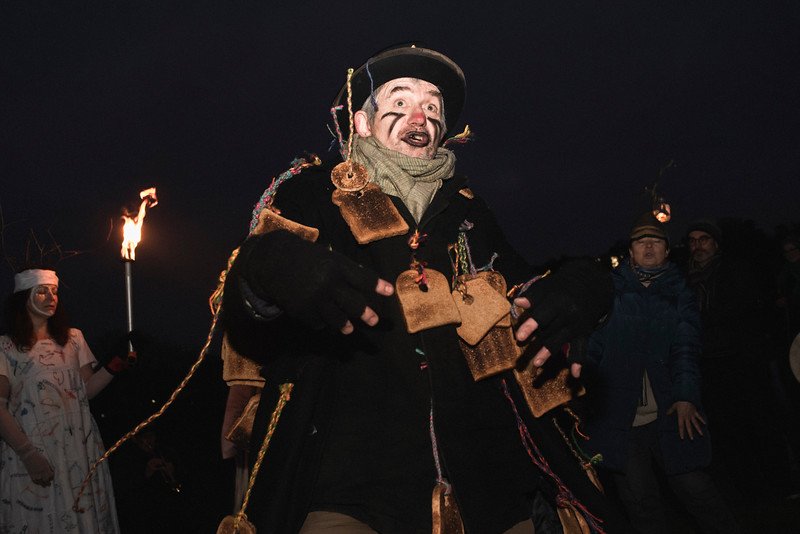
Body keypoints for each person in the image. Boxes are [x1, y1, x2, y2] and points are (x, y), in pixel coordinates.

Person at [221, 46, 627, 533]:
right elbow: (250, 315)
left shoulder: (469, 213)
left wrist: (586, 287)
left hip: (487, 483)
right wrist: (264, 272)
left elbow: (530, 291)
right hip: (348, 481)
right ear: (362, 123)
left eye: (433, 107)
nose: (421, 116)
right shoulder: (312, 192)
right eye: (401, 100)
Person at [582, 214, 740, 533]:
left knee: (696, 489)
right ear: (630, 251)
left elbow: (686, 347)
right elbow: (591, 348)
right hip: (621, 417)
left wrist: (685, 395)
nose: (649, 246)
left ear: (667, 251)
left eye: (656, 241)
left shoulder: (679, 291)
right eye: (641, 242)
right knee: (641, 503)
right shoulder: (609, 291)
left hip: (671, 409)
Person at [0, 268, 127, 533]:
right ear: (24, 297)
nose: (51, 297)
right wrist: (28, 455)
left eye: (54, 291)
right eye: (42, 291)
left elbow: (86, 391)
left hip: (78, 450)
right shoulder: (6, 347)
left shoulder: (73, 339)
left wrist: (115, 365)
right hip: (35, 453)